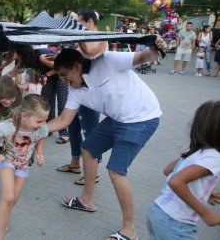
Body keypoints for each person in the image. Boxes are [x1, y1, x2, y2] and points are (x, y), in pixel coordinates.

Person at [47, 38, 165, 240]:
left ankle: (130, 230)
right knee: (89, 149)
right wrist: (34, 130)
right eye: (61, 78)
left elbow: (142, 57)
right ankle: (87, 200)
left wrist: (156, 49)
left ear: (77, 66)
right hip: (117, 118)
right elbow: (63, 120)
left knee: (116, 171)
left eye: (65, 75)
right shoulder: (75, 90)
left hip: (142, 118)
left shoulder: (107, 60)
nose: (64, 81)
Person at [146, 100, 220, 240]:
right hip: (176, 223)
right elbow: (176, 181)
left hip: (157, 212)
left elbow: (169, 170)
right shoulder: (215, 157)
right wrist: (206, 213)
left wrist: (203, 193)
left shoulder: (195, 150)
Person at [0, 94, 49, 239]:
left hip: (23, 165)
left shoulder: (41, 128)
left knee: (12, 200)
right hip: (6, 159)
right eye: (39, 121)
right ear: (24, 116)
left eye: (45, 120)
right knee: (8, 195)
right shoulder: (8, 127)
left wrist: (40, 152)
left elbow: (41, 137)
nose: (43, 124)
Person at [56, 10, 100, 185]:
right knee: (73, 127)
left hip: (89, 94)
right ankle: (75, 163)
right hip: (77, 89)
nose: (76, 27)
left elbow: (88, 52)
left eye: (79, 23)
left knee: (90, 132)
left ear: (89, 22)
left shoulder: (98, 38)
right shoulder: (86, 38)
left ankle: (93, 173)